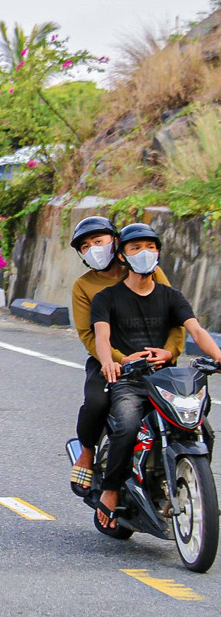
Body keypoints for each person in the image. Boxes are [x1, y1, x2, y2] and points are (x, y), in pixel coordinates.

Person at [90, 223, 221, 531]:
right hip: (130, 380)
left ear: (158, 252)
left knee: (203, 429)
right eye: (135, 248)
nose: (144, 253)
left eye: (150, 247)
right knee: (127, 426)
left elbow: (197, 331)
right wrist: (110, 363)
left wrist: (218, 357)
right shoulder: (107, 298)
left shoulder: (171, 296)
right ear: (122, 255)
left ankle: (194, 487)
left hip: (166, 380)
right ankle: (110, 491)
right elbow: (101, 336)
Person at [67, 216, 182, 496]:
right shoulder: (84, 287)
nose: (93, 248)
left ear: (116, 242)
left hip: (157, 360)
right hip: (110, 361)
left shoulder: (149, 271)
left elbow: (177, 317)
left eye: (98, 241)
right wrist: (118, 359)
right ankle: (87, 452)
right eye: (85, 246)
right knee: (96, 401)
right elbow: (89, 335)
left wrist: (170, 352)